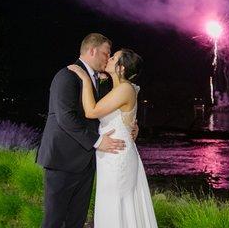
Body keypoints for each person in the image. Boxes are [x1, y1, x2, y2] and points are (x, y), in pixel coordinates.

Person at [36, 33, 138, 228]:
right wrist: (98, 141)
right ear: (92, 50)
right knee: (54, 220)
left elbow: (115, 110)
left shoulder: (102, 81)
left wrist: (130, 125)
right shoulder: (66, 75)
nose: (108, 58)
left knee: (77, 220)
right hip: (62, 161)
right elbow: (66, 118)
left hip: (87, 163)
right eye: (106, 53)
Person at [67, 47, 158, 227]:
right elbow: (121, 116)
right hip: (110, 154)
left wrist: (85, 79)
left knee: (116, 205)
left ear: (122, 68)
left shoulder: (125, 89)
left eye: (114, 57)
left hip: (118, 157)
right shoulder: (119, 88)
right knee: (112, 204)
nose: (108, 58)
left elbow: (92, 111)